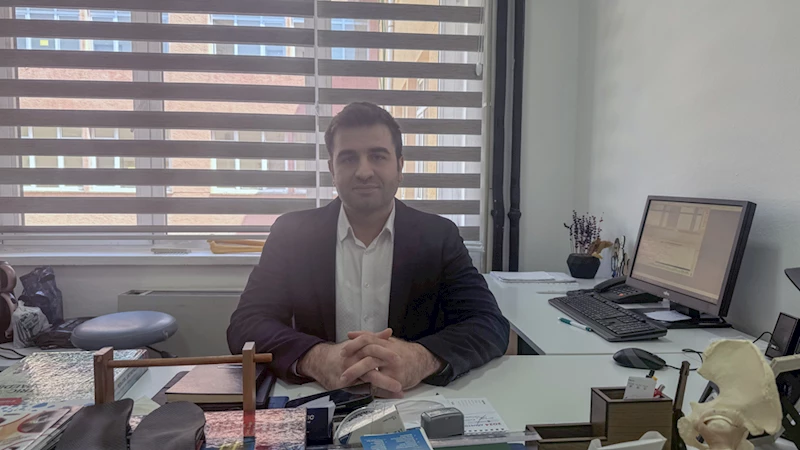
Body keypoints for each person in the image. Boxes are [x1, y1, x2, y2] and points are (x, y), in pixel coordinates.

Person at [227, 102, 509, 397]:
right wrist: (317, 358)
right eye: (348, 158)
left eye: (377, 156)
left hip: (414, 401)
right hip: (318, 400)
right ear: (332, 169)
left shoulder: (439, 237)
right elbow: (246, 324)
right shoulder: (291, 235)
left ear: (399, 166)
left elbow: (489, 324)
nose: (364, 172)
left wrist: (420, 359)